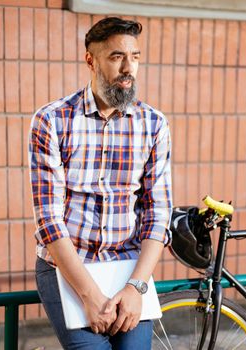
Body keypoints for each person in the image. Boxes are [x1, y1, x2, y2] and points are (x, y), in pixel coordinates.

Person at [28, 17, 172, 350]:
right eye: (116, 56)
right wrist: (89, 295)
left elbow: (157, 211)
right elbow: (49, 221)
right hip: (67, 268)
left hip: (127, 269)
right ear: (90, 60)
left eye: (135, 56)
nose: (128, 67)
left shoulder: (154, 124)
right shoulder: (52, 120)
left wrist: (137, 287)